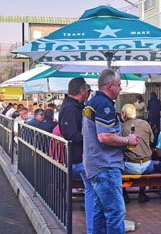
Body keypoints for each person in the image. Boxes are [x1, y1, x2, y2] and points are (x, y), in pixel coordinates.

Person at [82, 69, 138, 233]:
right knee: (115, 212)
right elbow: (104, 136)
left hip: (95, 164)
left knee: (100, 212)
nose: (121, 88)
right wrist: (128, 140)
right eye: (119, 85)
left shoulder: (92, 103)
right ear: (109, 86)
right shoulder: (104, 105)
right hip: (105, 165)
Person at [58, 78, 93, 233]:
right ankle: (93, 228)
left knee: (92, 192)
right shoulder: (71, 109)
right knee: (93, 192)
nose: (88, 94)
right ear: (81, 91)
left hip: (79, 158)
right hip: (78, 158)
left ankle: (93, 227)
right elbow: (71, 134)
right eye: (88, 91)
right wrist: (92, 138)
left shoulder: (75, 107)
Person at [121, 103, 155, 203]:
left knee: (117, 166)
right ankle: (142, 193)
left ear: (123, 114)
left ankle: (124, 194)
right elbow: (152, 141)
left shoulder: (121, 127)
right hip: (148, 165)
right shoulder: (145, 124)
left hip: (130, 165)